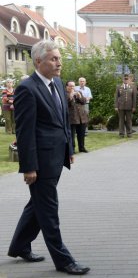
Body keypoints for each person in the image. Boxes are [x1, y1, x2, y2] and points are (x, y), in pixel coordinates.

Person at [7, 40, 90, 275]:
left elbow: (62, 122)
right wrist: (29, 167)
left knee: (38, 205)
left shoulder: (57, 83)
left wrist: (69, 151)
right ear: (38, 61)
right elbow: (25, 131)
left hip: (56, 158)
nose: (59, 62)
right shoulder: (27, 88)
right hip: (40, 164)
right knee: (49, 210)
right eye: (53, 59)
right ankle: (64, 261)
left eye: (59, 58)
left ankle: (20, 246)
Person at [66, 81, 88, 153]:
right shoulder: (64, 93)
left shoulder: (78, 92)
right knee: (71, 135)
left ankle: (81, 147)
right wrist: (71, 96)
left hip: (81, 117)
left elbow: (84, 102)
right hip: (72, 118)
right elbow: (66, 103)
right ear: (67, 87)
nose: (72, 87)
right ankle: (72, 149)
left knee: (81, 134)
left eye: (73, 86)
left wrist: (80, 96)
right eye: (71, 86)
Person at [114, 73, 136, 138]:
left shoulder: (132, 87)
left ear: (129, 79)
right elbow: (116, 97)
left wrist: (134, 106)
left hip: (129, 106)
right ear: (122, 79)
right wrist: (116, 106)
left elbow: (134, 98)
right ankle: (121, 134)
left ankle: (129, 133)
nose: (126, 80)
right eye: (124, 79)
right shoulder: (118, 87)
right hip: (121, 107)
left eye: (127, 79)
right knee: (121, 120)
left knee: (129, 120)